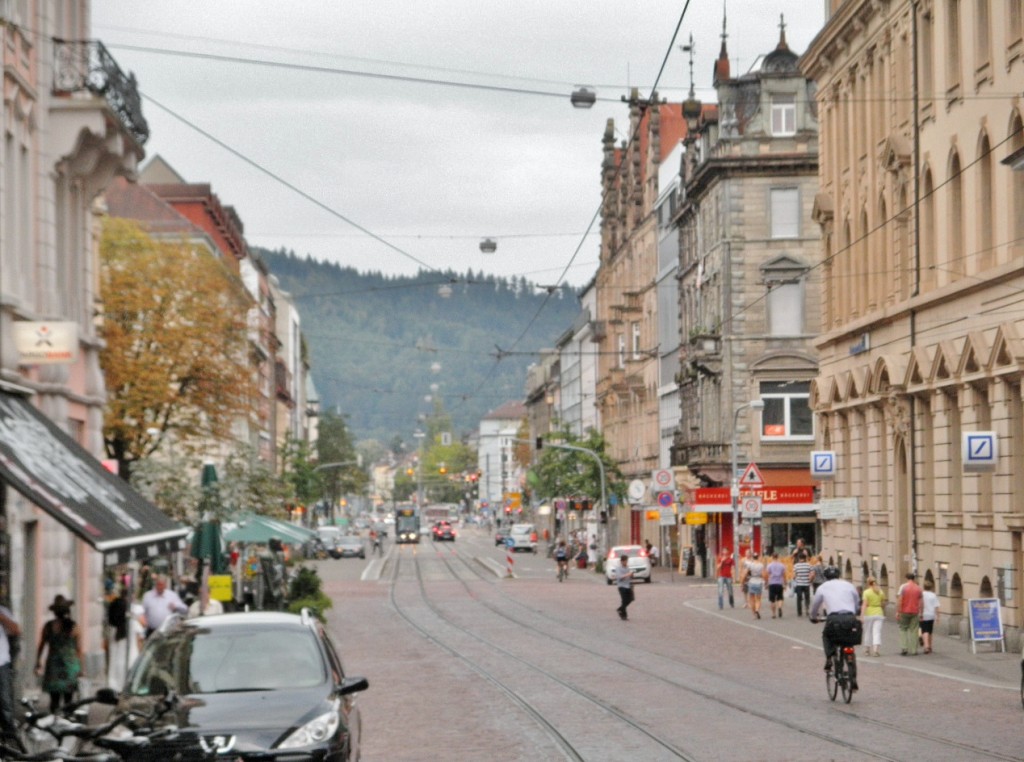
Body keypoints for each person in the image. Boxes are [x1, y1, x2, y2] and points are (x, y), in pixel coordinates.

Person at [809, 567, 861, 691]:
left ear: (826, 577)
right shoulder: (849, 585)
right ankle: (853, 679)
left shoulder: (822, 587)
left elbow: (815, 605)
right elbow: (856, 601)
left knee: (826, 636)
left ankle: (829, 658)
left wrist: (813, 617)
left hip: (834, 619)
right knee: (849, 645)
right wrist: (856, 611)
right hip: (850, 618)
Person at [35, 595, 84, 713]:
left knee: (54, 700)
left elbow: (41, 645)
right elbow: (79, 649)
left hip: (54, 666)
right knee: (69, 699)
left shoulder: (48, 626)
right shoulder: (74, 626)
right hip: (71, 666)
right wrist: (81, 668)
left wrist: (38, 662)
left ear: (55, 612)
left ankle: (55, 720)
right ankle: (68, 721)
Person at [0, 603, 21, 746]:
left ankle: (11, 742)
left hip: (1, 663)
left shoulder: (3, 611)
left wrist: (1, 617)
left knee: (4, 704)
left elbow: (16, 630)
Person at [896, 572, 923, 656]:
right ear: (914, 578)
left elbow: (900, 600)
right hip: (915, 611)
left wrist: (898, 611)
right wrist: (921, 612)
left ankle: (904, 648)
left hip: (904, 611)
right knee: (914, 630)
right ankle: (914, 650)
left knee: (903, 629)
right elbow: (921, 602)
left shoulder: (903, 587)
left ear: (907, 578)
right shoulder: (918, 588)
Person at [860, 576, 886, 656]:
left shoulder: (866, 592)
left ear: (868, 583)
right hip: (879, 613)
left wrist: (862, 615)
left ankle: (867, 650)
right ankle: (875, 650)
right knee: (877, 632)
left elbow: (864, 604)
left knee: (867, 632)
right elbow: (883, 604)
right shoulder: (880, 592)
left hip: (869, 613)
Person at [920, 579, 940, 654]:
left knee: (924, 630)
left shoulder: (921, 594)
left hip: (923, 614)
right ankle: (930, 646)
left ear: (924, 586)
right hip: (931, 615)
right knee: (930, 631)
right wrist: (938, 616)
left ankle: (926, 646)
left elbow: (919, 604)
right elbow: (937, 607)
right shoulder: (933, 595)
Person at [612, 554, 634, 620]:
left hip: (628, 586)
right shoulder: (618, 568)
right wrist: (628, 574)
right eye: (625, 561)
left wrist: (631, 575)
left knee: (630, 599)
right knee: (624, 601)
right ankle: (624, 615)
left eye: (627, 561)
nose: (626, 563)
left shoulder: (627, 568)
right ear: (621, 561)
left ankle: (620, 609)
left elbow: (629, 577)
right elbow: (620, 578)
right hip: (621, 586)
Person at [766, 552, 788, 619]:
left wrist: (767, 583)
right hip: (779, 583)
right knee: (780, 597)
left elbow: (768, 574)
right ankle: (780, 607)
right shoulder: (782, 565)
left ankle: (773, 614)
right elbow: (784, 575)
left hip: (772, 583)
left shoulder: (769, 565)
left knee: (772, 600)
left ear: (772, 557)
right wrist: (785, 583)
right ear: (778, 557)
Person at [744, 552, 765, 619]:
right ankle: (757, 610)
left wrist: (743, 581)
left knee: (752, 599)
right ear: (758, 557)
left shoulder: (750, 565)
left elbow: (746, 573)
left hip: (752, 581)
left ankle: (754, 613)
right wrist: (766, 581)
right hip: (759, 581)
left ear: (753, 557)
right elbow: (763, 574)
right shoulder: (761, 565)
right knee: (758, 599)